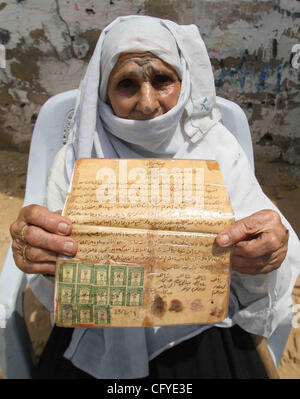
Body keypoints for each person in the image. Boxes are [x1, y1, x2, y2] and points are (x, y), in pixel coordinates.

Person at [9, 15, 300, 379]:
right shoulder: (79, 158)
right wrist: (40, 253)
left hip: (201, 330)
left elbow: (266, 251)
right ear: (104, 91)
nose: (148, 104)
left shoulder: (216, 149)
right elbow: (57, 280)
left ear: (183, 80)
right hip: (103, 337)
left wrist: (267, 253)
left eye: (163, 81)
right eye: (127, 84)